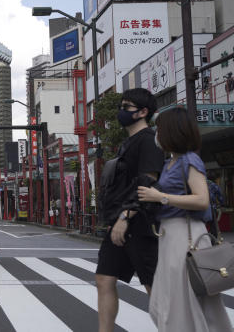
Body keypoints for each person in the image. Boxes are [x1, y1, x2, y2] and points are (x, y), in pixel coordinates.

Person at [138, 107, 232, 331]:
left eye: (159, 129)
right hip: (171, 235)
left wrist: (160, 197)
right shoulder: (170, 162)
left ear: (171, 131)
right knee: (171, 299)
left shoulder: (190, 160)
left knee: (182, 300)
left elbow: (202, 200)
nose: (156, 135)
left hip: (186, 235)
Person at [95, 88, 165, 332]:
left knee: (153, 287)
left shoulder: (149, 140)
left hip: (140, 223)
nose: (121, 112)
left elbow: (147, 182)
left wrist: (126, 216)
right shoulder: (128, 142)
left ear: (143, 112)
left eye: (126, 107)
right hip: (119, 223)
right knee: (104, 278)